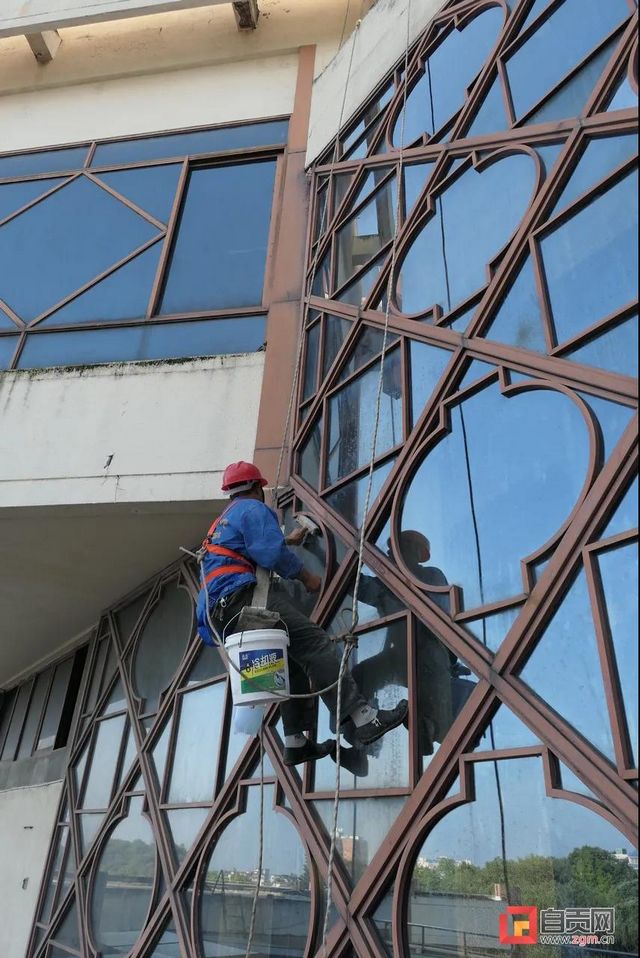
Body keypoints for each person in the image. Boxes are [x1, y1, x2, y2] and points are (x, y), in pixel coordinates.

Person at [196, 461, 408, 767]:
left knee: (291, 661)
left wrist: (290, 540)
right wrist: (307, 577)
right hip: (245, 599)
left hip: (222, 613)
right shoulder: (254, 510)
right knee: (316, 645)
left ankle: (295, 743)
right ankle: (365, 719)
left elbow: (254, 551)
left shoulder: (221, 524)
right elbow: (270, 554)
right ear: (257, 488)